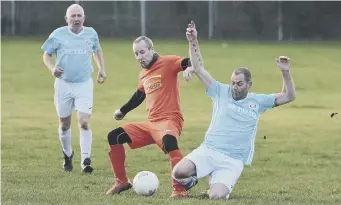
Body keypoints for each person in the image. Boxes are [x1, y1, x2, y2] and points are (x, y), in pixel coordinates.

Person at [172, 21, 296, 200]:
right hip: (210, 150)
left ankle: (213, 186)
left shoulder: (258, 101)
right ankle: (193, 179)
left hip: (233, 160)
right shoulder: (220, 91)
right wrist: (193, 40)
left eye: (239, 84)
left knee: (217, 196)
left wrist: (285, 72)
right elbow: (198, 68)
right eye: (233, 83)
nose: (235, 87)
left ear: (249, 84)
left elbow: (289, 96)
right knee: (179, 173)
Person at [105, 36, 194, 198]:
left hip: (170, 120)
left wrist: (189, 68)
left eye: (142, 52)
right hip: (150, 124)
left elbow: (187, 61)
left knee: (170, 142)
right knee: (114, 136)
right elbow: (139, 96)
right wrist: (122, 111)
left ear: (151, 50)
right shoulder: (143, 74)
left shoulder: (168, 62)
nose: (140, 57)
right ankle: (121, 181)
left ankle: (180, 190)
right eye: (136, 54)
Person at [41, 4, 107, 173]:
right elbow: (46, 55)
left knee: (84, 122)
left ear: (83, 18)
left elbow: (97, 50)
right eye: (73, 16)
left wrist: (101, 68)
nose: (76, 19)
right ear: (67, 18)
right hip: (63, 84)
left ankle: (86, 160)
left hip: (84, 84)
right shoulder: (58, 34)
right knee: (64, 125)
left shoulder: (91, 33)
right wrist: (52, 69)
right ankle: (68, 155)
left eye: (79, 16)